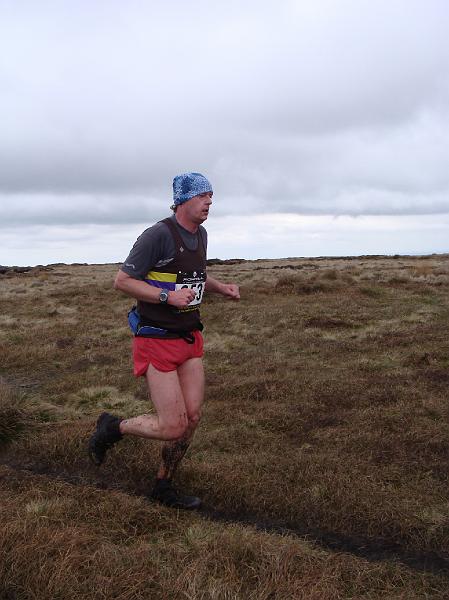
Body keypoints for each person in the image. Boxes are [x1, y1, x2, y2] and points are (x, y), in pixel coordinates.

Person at [88, 172, 240, 509]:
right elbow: (123, 281)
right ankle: (113, 427)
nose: (209, 202)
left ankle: (163, 485)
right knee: (173, 425)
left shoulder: (200, 235)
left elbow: (196, 274)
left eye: (211, 197)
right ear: (183, 199)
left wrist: (221, 287)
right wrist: (165, 297)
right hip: (156, 339)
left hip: (189, 337)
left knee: (192, 418)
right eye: (203, 196)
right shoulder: (157, 235)